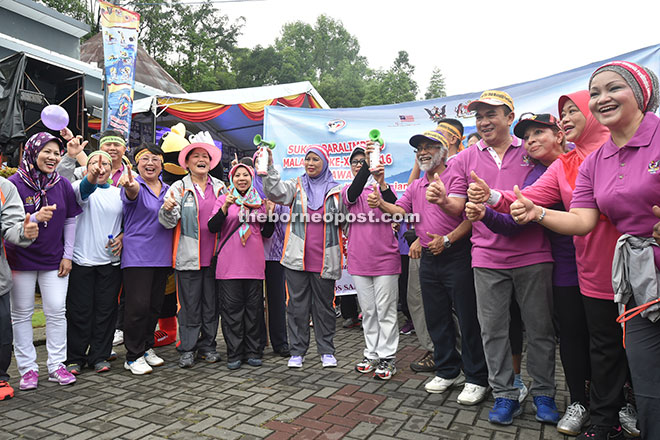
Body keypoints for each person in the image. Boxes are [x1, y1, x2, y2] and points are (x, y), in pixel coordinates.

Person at [510, 61, 660, 440]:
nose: (602, 98)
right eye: (595, 92)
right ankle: (605, 422)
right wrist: (538, 212)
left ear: (641, 94)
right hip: (638, 283)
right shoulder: (595, 160)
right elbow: (582, 220)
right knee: (645, 378)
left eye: (614, 88)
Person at [475, 92, 623, 438]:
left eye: (540, 132)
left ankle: (618, 404)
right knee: (577, 337)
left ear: (558, 134)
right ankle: (581, 403)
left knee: (613, 340)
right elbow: (528, 204)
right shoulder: (563, 167)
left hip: (625, 265)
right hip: (575, 268)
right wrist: (492, 199)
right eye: (527, 136)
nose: (531, 141)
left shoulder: (618, 153)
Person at [427, 91, 559, 425]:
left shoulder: (530, 148)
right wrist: (444, 200)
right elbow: (460, 206)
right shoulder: (466, 157)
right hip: (486, 258)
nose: (484, 122)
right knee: (493, 331)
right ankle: (504, 395)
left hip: (534, 254)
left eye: (492, 114)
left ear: (509, 115)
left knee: (540, 330)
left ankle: (544, 393)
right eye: (479, 116)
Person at [370, 129, 489, 404]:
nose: (423, 152)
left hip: (458, 254)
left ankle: (476, 377)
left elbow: (467, 214)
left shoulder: (457, 176)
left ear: (444, 150)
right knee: (436, 317)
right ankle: (448, 370)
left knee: (468, 318)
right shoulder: (416, 186)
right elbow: (403, 212)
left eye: (429, 147)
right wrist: (382, 203)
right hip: (428, 257)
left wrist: (447, 240)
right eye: (419, 149)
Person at [6, 132, 82, 389]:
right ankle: (27, 369)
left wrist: (68, 255)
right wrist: (35, 218)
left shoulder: (61, 184)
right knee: (21, 314)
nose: (52, 157)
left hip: (54, 259)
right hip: (19, 258)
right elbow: (9, 223)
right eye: (46, 151)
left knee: (56, 311)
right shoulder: (13, 183)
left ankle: (57, 365)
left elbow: (70, 220)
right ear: (32, 152)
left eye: (56, 152)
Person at [263, 145, 344, 369]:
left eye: (315, 159)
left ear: (325, 163)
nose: (310, 163)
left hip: (325, 260)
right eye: (307, 159)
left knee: (325, 308)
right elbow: (274, 192)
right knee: (296, 307)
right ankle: (297, 351)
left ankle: (327, 351)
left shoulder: (337, 191)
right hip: (297, 259)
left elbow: (348, 221)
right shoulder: (295, 186)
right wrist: (270, 167)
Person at [158, 133, 226, 368]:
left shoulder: (220, 187)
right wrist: (167, 209)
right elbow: (167, 222)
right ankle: (186, 347)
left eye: (205, 156)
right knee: (188, 307)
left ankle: (208, 346)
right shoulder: (178, 188)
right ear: (186, 163)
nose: (201, 159)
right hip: (187, 259)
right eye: (195, 156)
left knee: (211, 305)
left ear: (211, 162)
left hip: (216, 258)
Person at [343, 144, 400, 380]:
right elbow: (354, 191)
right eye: (355, 162)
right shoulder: (349, 192)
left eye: (362, 161)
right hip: (359, 259)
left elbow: (397, 210)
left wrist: (382, 181)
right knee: (368, 311)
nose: (359, 165)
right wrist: (368, 161)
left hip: (386, 258)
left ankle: (387, 357)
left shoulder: (383, 190)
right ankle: (372, 353)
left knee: (385, 310)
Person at [208, 163, 274, 369]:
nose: (242, 178)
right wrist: (225, 207)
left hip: (253, 265)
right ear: (232, 179)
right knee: (231, 311)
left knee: (253, 310)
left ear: (252, 178)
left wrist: (270, 214)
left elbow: (267, 233)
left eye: (246, 174)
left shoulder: (259, 202)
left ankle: (253, 351)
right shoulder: (224, 198)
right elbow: (212, 227)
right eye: (238, 175)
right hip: (229, 265)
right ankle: (235, 353)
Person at [65, 151, 123, 375]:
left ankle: (99, 355)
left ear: (112, 168)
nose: (100, 167)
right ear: (86, 167)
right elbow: (87, 190)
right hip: (82, 260)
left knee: (106, 311)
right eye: (94, 163)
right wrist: (91, 175)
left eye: (105, 164)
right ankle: (75, 357)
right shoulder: (78, 187)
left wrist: (123, 237)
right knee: (80, 311)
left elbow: (128, 222)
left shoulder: (119, 193)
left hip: (110, 262)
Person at [118, 143, 173, 375]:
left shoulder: (169, 188)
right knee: (137, 307)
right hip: (138, 256)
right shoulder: (134, 184)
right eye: (145, 159)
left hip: (162, 256)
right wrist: (130, 184)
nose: (150, 163)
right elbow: (131, 194)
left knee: (153, 306)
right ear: (137, 164)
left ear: (162, 165)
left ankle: (147, 347)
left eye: (155, 159)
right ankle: (132, 355)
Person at [0, 177, 39, 400]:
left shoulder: (4, 187)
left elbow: (12, 225)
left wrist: (24, 232)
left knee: (2, 328)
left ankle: (0, 377)